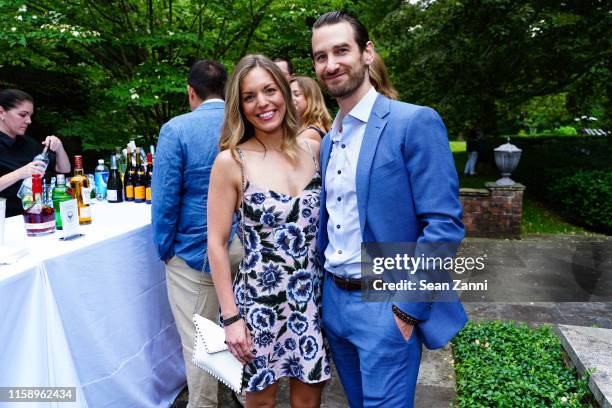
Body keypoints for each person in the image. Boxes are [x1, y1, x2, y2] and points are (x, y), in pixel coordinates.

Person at [311, 11, 467, 407]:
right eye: (320, 56)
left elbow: (443, 226)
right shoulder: (331, 138)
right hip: (335, 304)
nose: (331, 65)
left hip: (386, 303)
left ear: (367, 53)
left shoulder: (413, 122)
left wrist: (407, 309)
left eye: (341, 50)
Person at [207, 54, 331, 407]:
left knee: (308, 402)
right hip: (258, 308)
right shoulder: (231, 161)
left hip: (312, 303)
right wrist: (231, 319)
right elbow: (215, 244)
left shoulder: (314, 150)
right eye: (249, 96)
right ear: (239, 105)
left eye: (270, 90)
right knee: (260, 403)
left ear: (285, 93)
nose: (262, 102)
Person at [151, 60, 242, 408]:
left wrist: (166, 250)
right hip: (245, 243)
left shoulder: (176, 129)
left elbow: (165, 199)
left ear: (191, 92)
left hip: (197, 248)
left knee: (200, 339)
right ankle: (251, 395)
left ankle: (203, 403)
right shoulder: (242, 122)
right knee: (242, 323)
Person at [0, 89, 71, 217]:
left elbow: (64, 169)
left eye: (30, 116)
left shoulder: (28, 143)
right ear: (1, 112)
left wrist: (59, 148)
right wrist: (20, 173)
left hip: (36, 215)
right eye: (22, 115)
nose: (29, 121)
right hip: (5, 220)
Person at [290, 76, 332, 141]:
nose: (290, 99)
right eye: (288, 95)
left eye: (297, 94)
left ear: (311, 98)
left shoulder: (311, 133)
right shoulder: (304, 127)